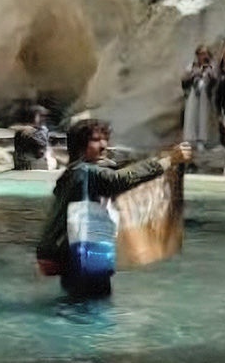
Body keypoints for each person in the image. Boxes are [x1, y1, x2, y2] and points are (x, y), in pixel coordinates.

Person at [35, 119, 192, 300]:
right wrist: (168, 160)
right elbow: (119, 180)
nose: (103, 146)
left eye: (105, 139)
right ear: (79, 145)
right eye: (95, 140)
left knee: (82, 304)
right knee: (91, 305)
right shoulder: (84, 172)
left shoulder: (79, 172)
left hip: (78, 254)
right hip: (78, 256)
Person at [181, 44, 216, 152]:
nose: (203, 56)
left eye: (205, 53)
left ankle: (202, 140)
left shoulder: (211, 66)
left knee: (203, 117)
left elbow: (215, 80)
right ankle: (190, 140)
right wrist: (194, 74)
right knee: (191, 116)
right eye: (201, 53)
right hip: (193, 94)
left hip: (205, 95)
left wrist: (208, 73)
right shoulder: (192, 66)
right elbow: (184, 80)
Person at [13, 105, 55, 170]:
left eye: (44, 116)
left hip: (39, 162)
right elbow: (41, 144)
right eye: (40, 116)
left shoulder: (42, 129)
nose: (43, 118)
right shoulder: (26, 132)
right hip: (29, 164)